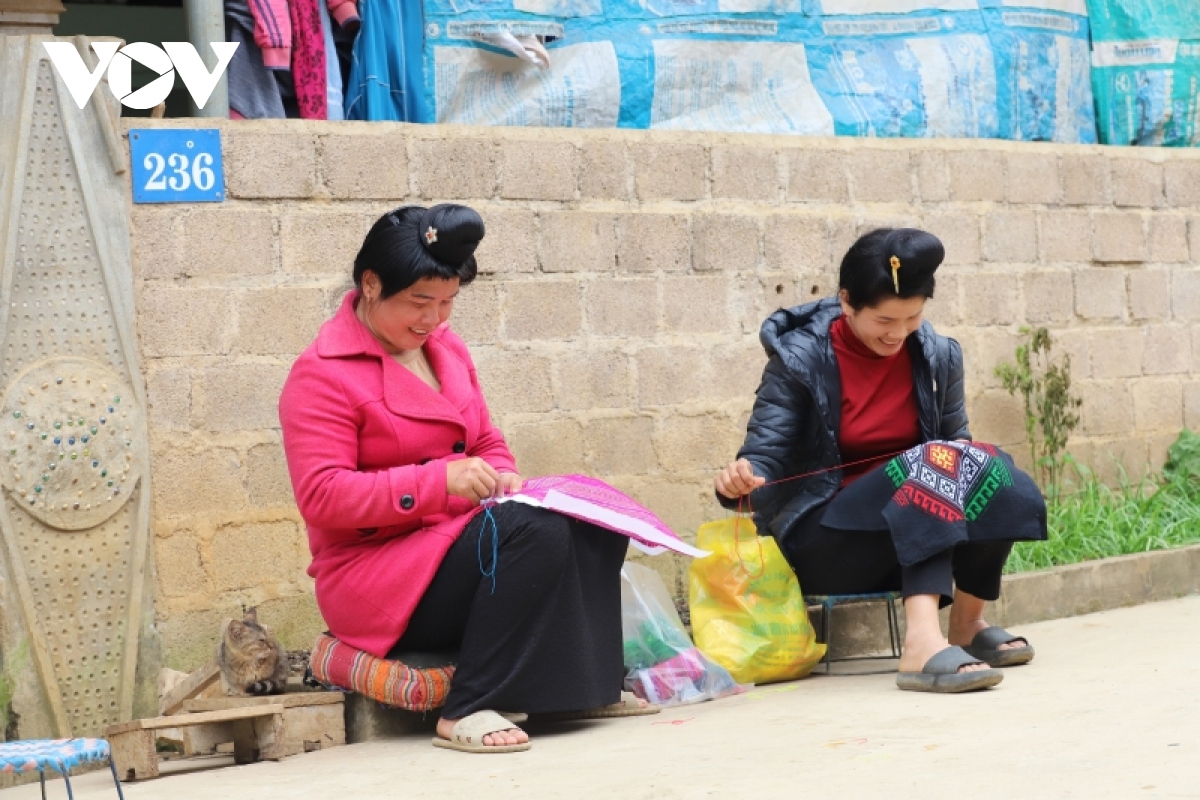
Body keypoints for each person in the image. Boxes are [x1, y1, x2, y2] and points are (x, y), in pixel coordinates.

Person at [279, 204, 655, 753]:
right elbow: (323, 497)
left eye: (448, 303)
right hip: (380, 578)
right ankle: (467, 706)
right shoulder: (321, 375)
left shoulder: (445, 349)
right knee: (533, 533)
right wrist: (439, 482)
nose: (433, 319)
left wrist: (502, 473)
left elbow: (483, 439)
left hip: (453, 547)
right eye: (419, 302)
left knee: (591, 519)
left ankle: (580, 686)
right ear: (370, 284)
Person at [713, 228, 1047, 693]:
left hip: (912, 536)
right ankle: (921, 645)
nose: (898, 333)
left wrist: (967, 460)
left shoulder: (939, 356)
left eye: (912, 317)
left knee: (983, 464)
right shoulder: (799, 361)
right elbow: (763, 456)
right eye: (884, 320)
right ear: (847, 302)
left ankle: (967, 625)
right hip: (824, 540)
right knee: (935, 466)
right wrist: (742, 481)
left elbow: (956, 446)